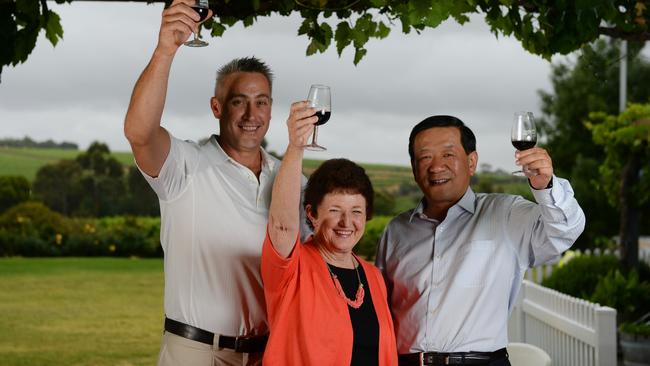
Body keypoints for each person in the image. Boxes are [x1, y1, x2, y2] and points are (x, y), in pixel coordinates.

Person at [124, 1, 298, 364]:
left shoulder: (291, 179)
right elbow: (140, 133)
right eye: (239, 102)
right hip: (196, 352)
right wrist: (165, 49)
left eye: (261, 102)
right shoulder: (185, 165)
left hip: (266, 353)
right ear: (217, 108)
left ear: (271, 108)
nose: (252, 115)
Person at [375, 115, 586, 366]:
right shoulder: (396, 230)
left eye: (448, 155)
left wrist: (545, 186)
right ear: (413, 167)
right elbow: (379, 307)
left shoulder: (505, 214)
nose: (436, 166)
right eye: (425, 157)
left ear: (472, 162)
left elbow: (564, 230)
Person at [261, 101, 398, 365]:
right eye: (335, 210)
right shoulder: (292, 268)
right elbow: (282, 226)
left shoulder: (373, 277)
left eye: (357, 211)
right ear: (311, 214)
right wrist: (296, 146)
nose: (347, 222)